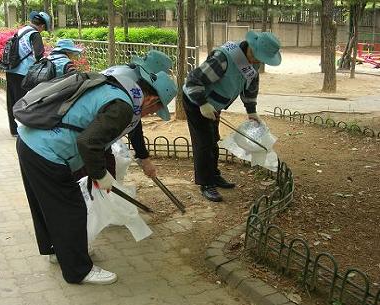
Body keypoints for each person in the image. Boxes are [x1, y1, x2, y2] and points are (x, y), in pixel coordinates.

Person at [16, 68, 177, 285]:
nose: (150, 116)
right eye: (156, 110)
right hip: (47, 152)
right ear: (152, 99)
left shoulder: (117, 89)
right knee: (71, 210)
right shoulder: (123, 106)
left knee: (47, 205)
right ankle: (79, 270)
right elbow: (88, 143)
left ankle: (57, 251)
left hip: (30, 140)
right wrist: (100, 175)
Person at [182, 31, 282, 202]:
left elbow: (251, 85)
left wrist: (251, 111)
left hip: (213, 105)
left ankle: (214, 175)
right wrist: (202, 103)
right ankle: (206, 183)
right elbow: (193, 80)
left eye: (261, 59)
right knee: (204, 142)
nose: (257, 61)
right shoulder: (223, 58)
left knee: (213, 139)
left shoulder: (253, 62)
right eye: (256, 56)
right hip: (196, 101)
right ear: (250, 46)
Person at [99, 50, 173, 179]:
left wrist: (142, 156)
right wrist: (143, 157)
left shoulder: (125, 71)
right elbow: (134, 124)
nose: (150, 114)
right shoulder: (131, 83)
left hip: (97, 128)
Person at [5, 11, 50, 137]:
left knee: (12, 100)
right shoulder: (35, 34)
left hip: (10, 69)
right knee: (23, 101)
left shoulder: (20, 31)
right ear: (41, 26)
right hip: (23, 72)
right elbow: (39, 54)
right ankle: (23, 130)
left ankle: (14, 130)